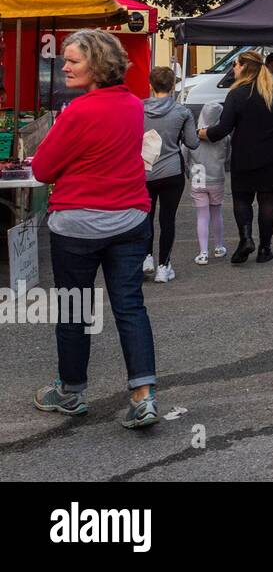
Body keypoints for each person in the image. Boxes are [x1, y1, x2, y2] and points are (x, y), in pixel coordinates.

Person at [31, 29, 158, 428]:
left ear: (98, 64)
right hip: (129, 218)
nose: (64, 66)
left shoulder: (78, 112)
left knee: (75, 309)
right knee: (130, 306)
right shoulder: (135, 107)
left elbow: (42, 169)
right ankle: (142, 396)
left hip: (77, 223)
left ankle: (71, 392)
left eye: (73, 60)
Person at [200, 50, 273, 265]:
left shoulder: (237, 94)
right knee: (268, 200)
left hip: (246, 155)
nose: (233, 69)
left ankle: (246, 239)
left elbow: (223, 128)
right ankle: (265, 248)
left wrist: (202, 133)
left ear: (244, 67)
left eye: (235, 65)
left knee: (242, 199)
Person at [143, 66, 199, 283]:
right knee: (168, 219)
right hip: (171, 171)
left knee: (145, 217)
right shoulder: (182, 112)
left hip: (145, 171)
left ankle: (146, 258)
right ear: (173, 85)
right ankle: (164, 267)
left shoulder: (138, 109)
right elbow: (192, 143)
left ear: (151, 85)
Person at [187, 101, 229, 265]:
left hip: (198, 175)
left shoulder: (193, 135)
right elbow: (228, 156)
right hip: (216, 176)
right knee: (216, 213)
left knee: (202, 216)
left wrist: (187, 171)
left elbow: (185, 153)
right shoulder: (224, 137)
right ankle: (219, 247)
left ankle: (203, 252)